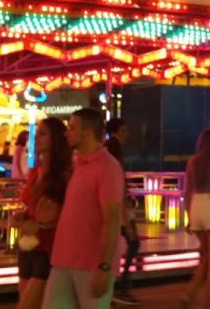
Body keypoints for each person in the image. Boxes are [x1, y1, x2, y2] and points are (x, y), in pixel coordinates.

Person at [42, 108, 124, 309]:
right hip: (64, 259)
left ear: (87, 132)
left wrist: (104, 266)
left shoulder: (107, 167)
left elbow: (111, 218)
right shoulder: (78, 164)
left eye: (72, 128)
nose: (66, 132)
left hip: (91, 263)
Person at [15, 118, 72, 309]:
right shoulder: (35, 171)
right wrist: (23, 217)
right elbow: (31, 206)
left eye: (42, 134)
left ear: (56, 139)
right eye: (36, 133)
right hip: (28, 246)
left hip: (49, 248)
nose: (36, 138)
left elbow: (70, 214)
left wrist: (40, 225)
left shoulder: (66, 173)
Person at [182, 129, 210, 308]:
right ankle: (206, 304)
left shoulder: (192, 162)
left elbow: (187, 192)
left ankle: (190, 293)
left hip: (196, 209)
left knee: (207, 256)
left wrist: (188, 218)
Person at [105, 117, 139, 306]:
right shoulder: (114, 149)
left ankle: (117, 286)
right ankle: (121, 287)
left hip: (117, 204)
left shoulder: (109, 147)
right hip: (118, 206)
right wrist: (125, 212)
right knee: (132, 242)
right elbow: (117, 180)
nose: (128, 133)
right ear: (117, 131)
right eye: (125, 130)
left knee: (117, 245)